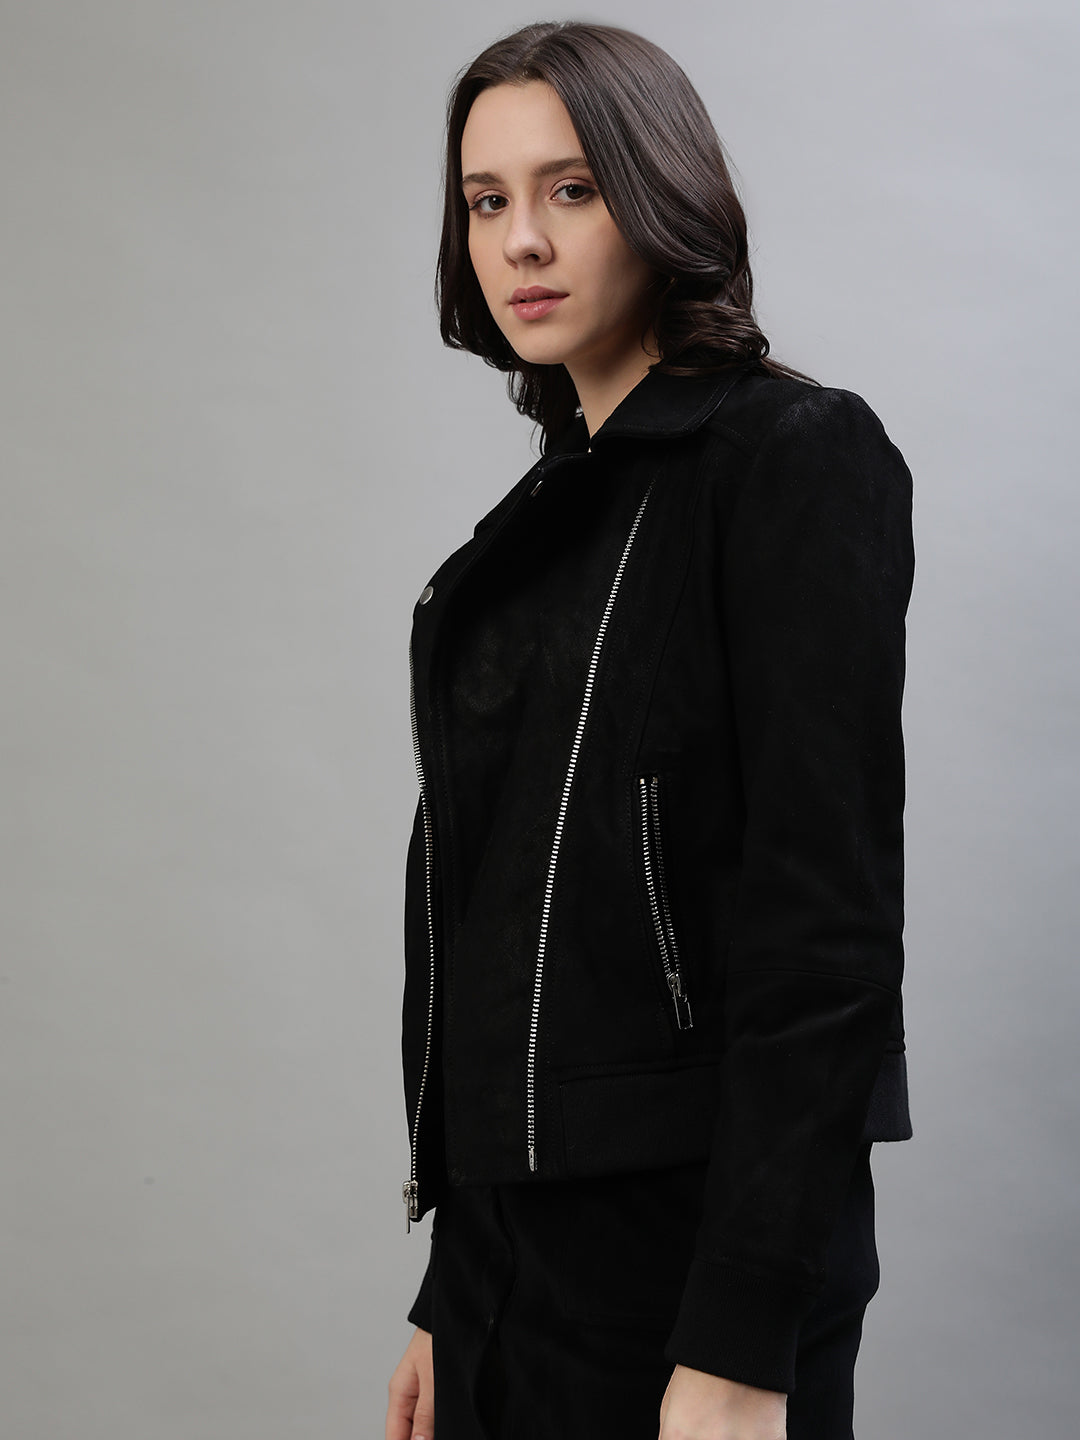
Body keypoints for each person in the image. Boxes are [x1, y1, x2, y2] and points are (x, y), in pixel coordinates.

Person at [385, 19, 914, 1440]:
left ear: (660, 192)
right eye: (486, 200)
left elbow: (827, 934)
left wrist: (743, 1335)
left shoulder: (794, 458)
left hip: (693, 1267)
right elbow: (493, 928)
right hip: (506, 1270)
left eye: (572, 188)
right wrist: (451, 1287)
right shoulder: (530, 531)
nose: (521, 241)